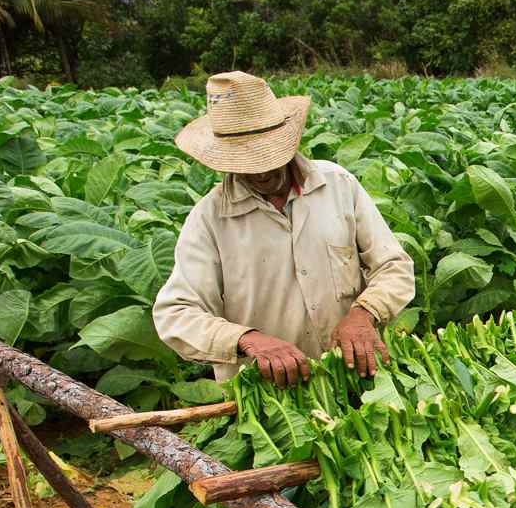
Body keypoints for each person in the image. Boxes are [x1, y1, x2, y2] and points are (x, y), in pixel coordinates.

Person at [154, 71, 414, 386]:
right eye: (244, 162)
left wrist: (364, 313)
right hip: (269, 400)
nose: (260, 171)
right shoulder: (209, 219)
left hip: (355, 380)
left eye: (267, 156)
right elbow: (175, 314)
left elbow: (394, 266)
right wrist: (246, 339)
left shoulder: (338, 185)